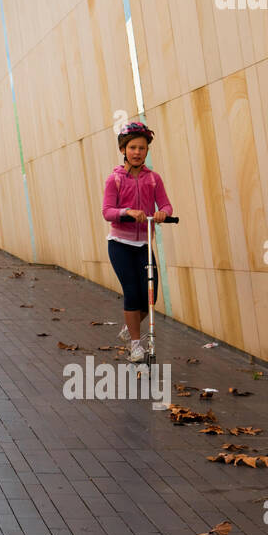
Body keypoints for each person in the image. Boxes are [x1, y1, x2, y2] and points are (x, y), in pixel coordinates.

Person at [101, 121, 172, 363]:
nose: (137, 152)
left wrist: (163, 213)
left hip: (143, 245)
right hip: (120, 244)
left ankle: (128, 327)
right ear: (123, 150)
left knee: (150, 298)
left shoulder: (153, 179)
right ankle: (135, 344)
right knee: (132, 292)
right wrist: (128, 212)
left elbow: (165, 205)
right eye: (132, 147)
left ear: (147, 151)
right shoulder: (115, 180)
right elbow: (107, 211)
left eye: (142, 148)